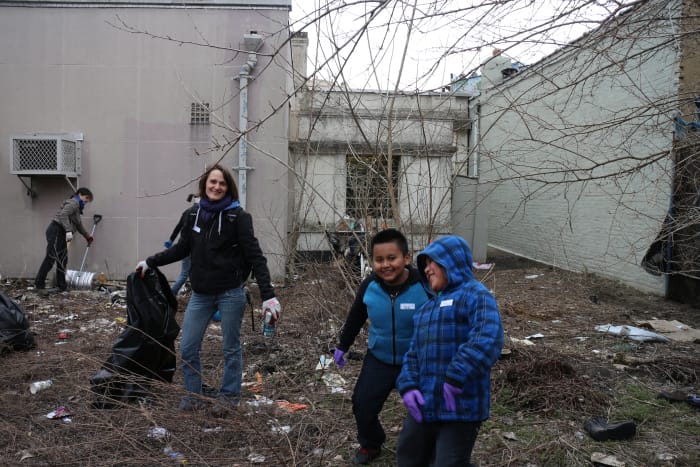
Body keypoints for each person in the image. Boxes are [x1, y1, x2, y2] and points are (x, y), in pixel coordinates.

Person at [135, 164, 280, 413]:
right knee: (188, 347)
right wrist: (150, 261)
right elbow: (181, 249)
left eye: (222, 183)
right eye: (212, 182)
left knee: (231, 348)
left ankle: (228, 398)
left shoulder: (238, 217)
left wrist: (268, 295)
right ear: (204, 185)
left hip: (231, 293)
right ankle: (193, 396)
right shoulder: (193, 215)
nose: (216, 187)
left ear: (228, 188)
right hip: (200, 294)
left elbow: (256, 256)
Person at [395, 235, 503, 467]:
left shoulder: (476, 295)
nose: (426, 269)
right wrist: (408, 385)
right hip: (426, 402)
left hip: (461, 406)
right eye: (423, 264)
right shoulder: (426, 309)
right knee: (408, 454)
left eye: (431, 262)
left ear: (450, 261)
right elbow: (413, 353)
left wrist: (456, 375)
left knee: (449, 462)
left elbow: (488, 337)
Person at [333, 229, 429, 465]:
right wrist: (342, 346)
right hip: (380, 358)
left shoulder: (424, 285)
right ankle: (371, 443)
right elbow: (355, 316)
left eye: (392, 258)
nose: (386, 264)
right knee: (362, 405)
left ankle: (428, 448)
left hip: (418, 361)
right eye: (379, 259)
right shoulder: (370, 287)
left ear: (406, 258)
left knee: (426, 409)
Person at [34, 188, 94, 292]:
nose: (86, 201)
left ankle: (62, 286)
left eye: (88, 200)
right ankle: (39, 284)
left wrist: (87, 236)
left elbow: (78, 225)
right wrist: (68, 230)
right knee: (51, 258)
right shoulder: (74, 203)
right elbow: (63, 215)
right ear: (80, 194)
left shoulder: (77, 207)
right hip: (56, 230)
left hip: (61, 232)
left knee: (62, 259)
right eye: (86, 198)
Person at [165, 194, 198, 296]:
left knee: (184, 273)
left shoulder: (187, 212)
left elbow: (178, 227)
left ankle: (171, 294)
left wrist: (171, 240)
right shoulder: (203, 213)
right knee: (198, 272)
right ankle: (198, 295)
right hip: (197, 248)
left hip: (185, 247)